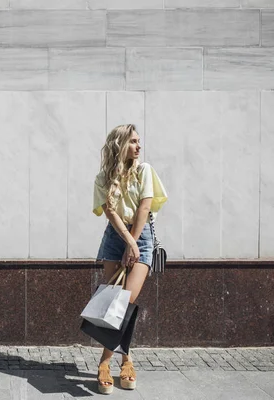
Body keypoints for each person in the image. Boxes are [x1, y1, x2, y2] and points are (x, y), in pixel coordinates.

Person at [92, 124, 167, 394]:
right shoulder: (103, 178)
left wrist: (134, 244)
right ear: (120, 144)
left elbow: (145, 207)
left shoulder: (144, 170)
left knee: (127, 301)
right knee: (114, 300)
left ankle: (106, 361)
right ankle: (126, 359)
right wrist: (127, 243)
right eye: (133, 141)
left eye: (139, 141)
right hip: (116, 238)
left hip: (142, 235)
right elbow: (110, 214)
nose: (139, 146)